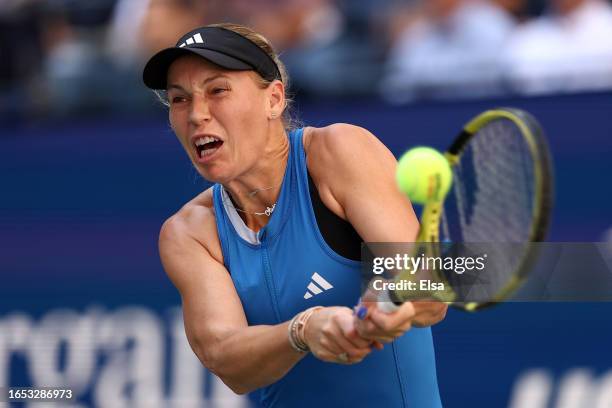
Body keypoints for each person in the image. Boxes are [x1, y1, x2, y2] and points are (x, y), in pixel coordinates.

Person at [143, 23, 447, 407]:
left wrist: (392, 304)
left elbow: (431, 294)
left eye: (217, 90)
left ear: (273, 99)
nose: (196, 114)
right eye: (179, 99)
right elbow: (226, 357)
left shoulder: (340, 152)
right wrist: (303, 330)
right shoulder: (189, 233)